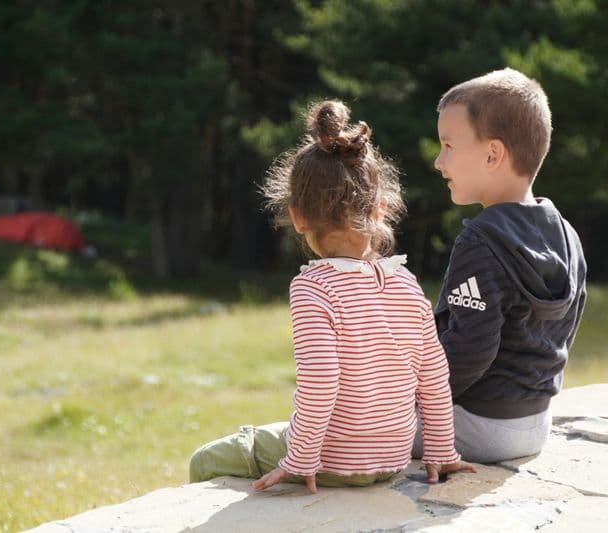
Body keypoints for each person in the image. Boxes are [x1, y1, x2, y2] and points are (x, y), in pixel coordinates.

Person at [190, 100, 477, 492]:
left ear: (297, 216)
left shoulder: (314, 288)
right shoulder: (406, 283)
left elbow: (322, 380)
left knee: (206, 459)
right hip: (392, 459)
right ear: (379, 209)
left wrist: (301, 458)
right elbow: (433, 376)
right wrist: (441, 451)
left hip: (333, 461)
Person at [413, 68, 587, 464]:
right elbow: (564, 331)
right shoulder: (565, 234)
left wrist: (411, 404)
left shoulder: (482, 241)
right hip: (534, 425)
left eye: (448, 146)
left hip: (477, 426)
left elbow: (468, 351)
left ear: (493, 154)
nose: (439, 162)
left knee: (353, 423)